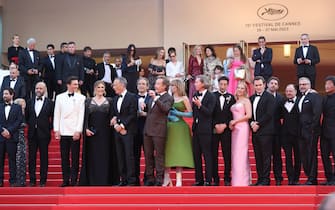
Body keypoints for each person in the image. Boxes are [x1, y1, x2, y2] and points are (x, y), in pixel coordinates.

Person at [79, 81, 117, 186]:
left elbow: (114, 115)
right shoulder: (88, 101)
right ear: (95, 88)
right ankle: (92, 180)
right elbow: (85, 117)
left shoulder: (110, 100)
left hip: (106, 134)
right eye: (98, 87)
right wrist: (85, 129)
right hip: (92, 134)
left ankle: (106, 180)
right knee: (92, 156)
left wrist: (114, 119)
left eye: (102, 87)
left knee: (105, 155)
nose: (100, 89)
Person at [53, 76, 85, 187]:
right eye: (75, 84)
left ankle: (74, 180)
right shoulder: (59, 97)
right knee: (64, 157)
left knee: (75, 157)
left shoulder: (82, 98)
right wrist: (56, 129)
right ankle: (65, 180)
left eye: (77, 84)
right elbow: (57, 114)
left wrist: (78, 130)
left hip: (74, 131)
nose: (77, 86)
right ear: (68, 85)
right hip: (63, 130)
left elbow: (81, 115)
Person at [143, 76, 174, 186]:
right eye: (155, 84)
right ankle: (150, 178)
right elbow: (151, 111)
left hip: (159, 131)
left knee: (159, 155)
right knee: (148, 155)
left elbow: (165, 109)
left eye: (158, 84)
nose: (155, 86)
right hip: (148, 130)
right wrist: (144, 107)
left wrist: (156, 98)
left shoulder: (168, 97)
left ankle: (159, 179)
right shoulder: (152, 97)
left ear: (164, 86)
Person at [164, 79, 194, 187]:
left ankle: (178, 178)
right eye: (171, 85)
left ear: (178, 87)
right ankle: (167, 177)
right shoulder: (168, 98)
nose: (171, 87)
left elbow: (191, 113)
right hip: (169, 126)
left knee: (179, 152)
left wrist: (179, 113)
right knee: (168, 151)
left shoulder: (184, 98)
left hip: (180, 127)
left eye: (173, 86)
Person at [25, 82, 54, 187]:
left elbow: (53, 117)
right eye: (37, 88)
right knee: (31, 158)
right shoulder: (29, 102)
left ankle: (43, 180)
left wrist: (48, 127)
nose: (38, 90)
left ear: (44, 90)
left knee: (44, 157)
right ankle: (32, 180)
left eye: (40, 88)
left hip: (44, 134)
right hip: (32, 133)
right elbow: (27, 117)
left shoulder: (50, 103)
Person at [111, 77, 138, 186]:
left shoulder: (132, 97)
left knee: (129, 155)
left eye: (115, 85)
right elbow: (114, 115)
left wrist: (122, 126)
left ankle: (131, 180)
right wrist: (116, 125)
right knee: (120, 155)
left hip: (128, 131)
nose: (113, 87)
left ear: (122, 85)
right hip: (117, 131)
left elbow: (132, 114)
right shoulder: (115, 99)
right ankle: (123, 179)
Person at [250, 76, 275, 186]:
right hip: (255, 131)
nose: (258, 87)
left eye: (260, 85)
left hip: (266, 131)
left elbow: (269, 114)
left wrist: (258, 124)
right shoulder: (251, 98)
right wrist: (251, 123)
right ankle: (260, 178)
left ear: (264, 85)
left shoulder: (270, 97)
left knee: (265, 156)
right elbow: (249, 113)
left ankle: (265, 179)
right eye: (256, 85)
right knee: (258, 156)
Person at [297, 77, 322, 185]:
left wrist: (313, 127)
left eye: (304, 84)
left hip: (311, 130)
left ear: (310, 85)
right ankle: (309, 176)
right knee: (304, 154)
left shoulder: (314, 96)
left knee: (311, 153)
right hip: (301, 131)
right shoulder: (299, 97)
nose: (302, 86)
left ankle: (312, 178)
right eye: (300, 84)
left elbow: (317, 113)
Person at [192, 75, 216, 186]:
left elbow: (210, 112)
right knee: (196, 155)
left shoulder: (211, 96)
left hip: (206, 129)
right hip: (196, 129)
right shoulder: (195, 95)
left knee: (207, 154)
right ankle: (198, 179)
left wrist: (200, 105)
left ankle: (208, 179)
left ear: (203, 83)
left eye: (197, 82)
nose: (195, 84)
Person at [212, 76, 236, 186]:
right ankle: (215, 178)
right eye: (221, 84)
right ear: (218, 84)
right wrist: (215, 125)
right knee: (213, 154)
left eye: (224, 84)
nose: (222, 86)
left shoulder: (231, 97)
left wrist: (225, 125)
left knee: (227, 154)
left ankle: (227, 177)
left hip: (227, 130)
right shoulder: (212, 96)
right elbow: (210, 113)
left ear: (227, 85)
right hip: (214, 129)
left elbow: (232, 114)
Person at [229, 81, 252, 186]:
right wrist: (231, 123)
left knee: (241, 153)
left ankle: (243, 181)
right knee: (235, 154)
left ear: (245, 90)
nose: (239, 90)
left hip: (242, 128)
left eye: (242, 88)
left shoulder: (246, 101)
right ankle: (236, 180)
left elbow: (249, 115)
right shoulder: (235, 100)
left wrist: (236, 121)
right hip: (234, 129)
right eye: (238, 87)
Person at [0, 88, 23, 187]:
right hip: (0, 137)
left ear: (12, 94)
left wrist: (9, 131)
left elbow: (19, 121)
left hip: (12, 137)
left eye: (6, 94)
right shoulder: (0, 106)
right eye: (3, 94)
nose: (4, 96)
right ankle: (0, 181)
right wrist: (2, 131)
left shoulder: (17, 107)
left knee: (12, 159)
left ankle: (12, 180)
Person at [280, 84, 301, 185]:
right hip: (286, 135)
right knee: (288, 157)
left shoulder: (300, 101)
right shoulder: (282, 102)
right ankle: (290, 178)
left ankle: (296, 178)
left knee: (298, 157)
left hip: (298, 135)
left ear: (295, 92)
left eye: (291, 91)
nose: (288, 93)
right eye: (287, 91)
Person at [266, 76, 284, 185]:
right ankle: (265, 178)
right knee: (266, 156)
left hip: (277, 131)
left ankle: (278, 178)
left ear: (278, 86)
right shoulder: (262, 97)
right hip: (265, 131)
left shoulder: (281, 98)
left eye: (275, 84)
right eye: (271, 83)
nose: (273, 85)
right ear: (267, 84)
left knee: (277, 156)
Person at [134, 77, 150, 185]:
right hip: (135, 130)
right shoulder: (132, 98)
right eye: (139, 83)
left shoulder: (152, 98)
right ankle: (135, 178)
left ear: (147, 86)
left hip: (148, 129)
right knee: (135, 155)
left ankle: (148, 178)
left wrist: (146, 114)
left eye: (143, 84)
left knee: (148, 155)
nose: (141, 85)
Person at [321, 76, 335, 185]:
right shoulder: (324, 98)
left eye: (329, 84)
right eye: (326, 84)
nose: (327, 86)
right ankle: (329, 178)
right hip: (324, 131)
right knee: (324, 155)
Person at [13, 98, 26, 187]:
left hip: (23, 141)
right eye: (21, 105)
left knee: (23, 160)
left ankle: (22, 181)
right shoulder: (14, 114)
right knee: (17, 160)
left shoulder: (25, 114)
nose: (23, 107)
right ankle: (16, 180)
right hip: (15, 139)